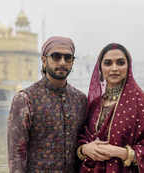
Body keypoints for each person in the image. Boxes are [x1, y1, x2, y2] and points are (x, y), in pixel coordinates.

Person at [77, 43, 144, 172]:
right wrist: (84, 149)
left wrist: (120, 152)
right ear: (100, 68)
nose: (114, 68)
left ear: (128, 67)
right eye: (108, 63)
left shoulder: (141, 102)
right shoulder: (95, 104)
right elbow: (82, 137)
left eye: (120, 62)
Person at [7, 36, 87, 173]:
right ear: (44, 60)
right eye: (56, 57)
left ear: (72, 62)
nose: (62, 62)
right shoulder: (26, 99)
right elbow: (16, 154)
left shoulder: (80, 100)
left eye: (68, 58)